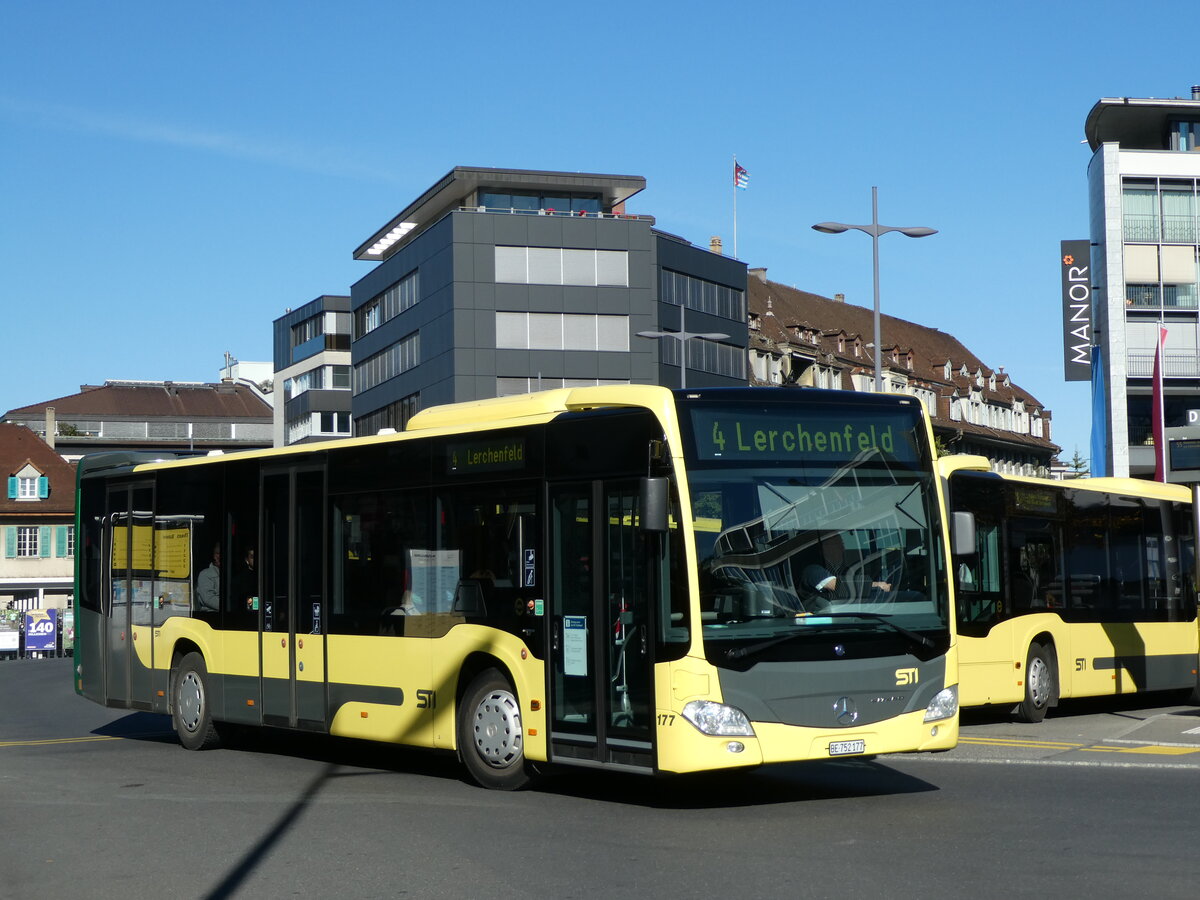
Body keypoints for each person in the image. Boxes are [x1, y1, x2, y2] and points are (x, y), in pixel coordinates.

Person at [195, 544, 220, 612]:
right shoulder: (205, 574)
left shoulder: (232, 575)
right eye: (217, 553)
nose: (219, 557)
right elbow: (208, 599)